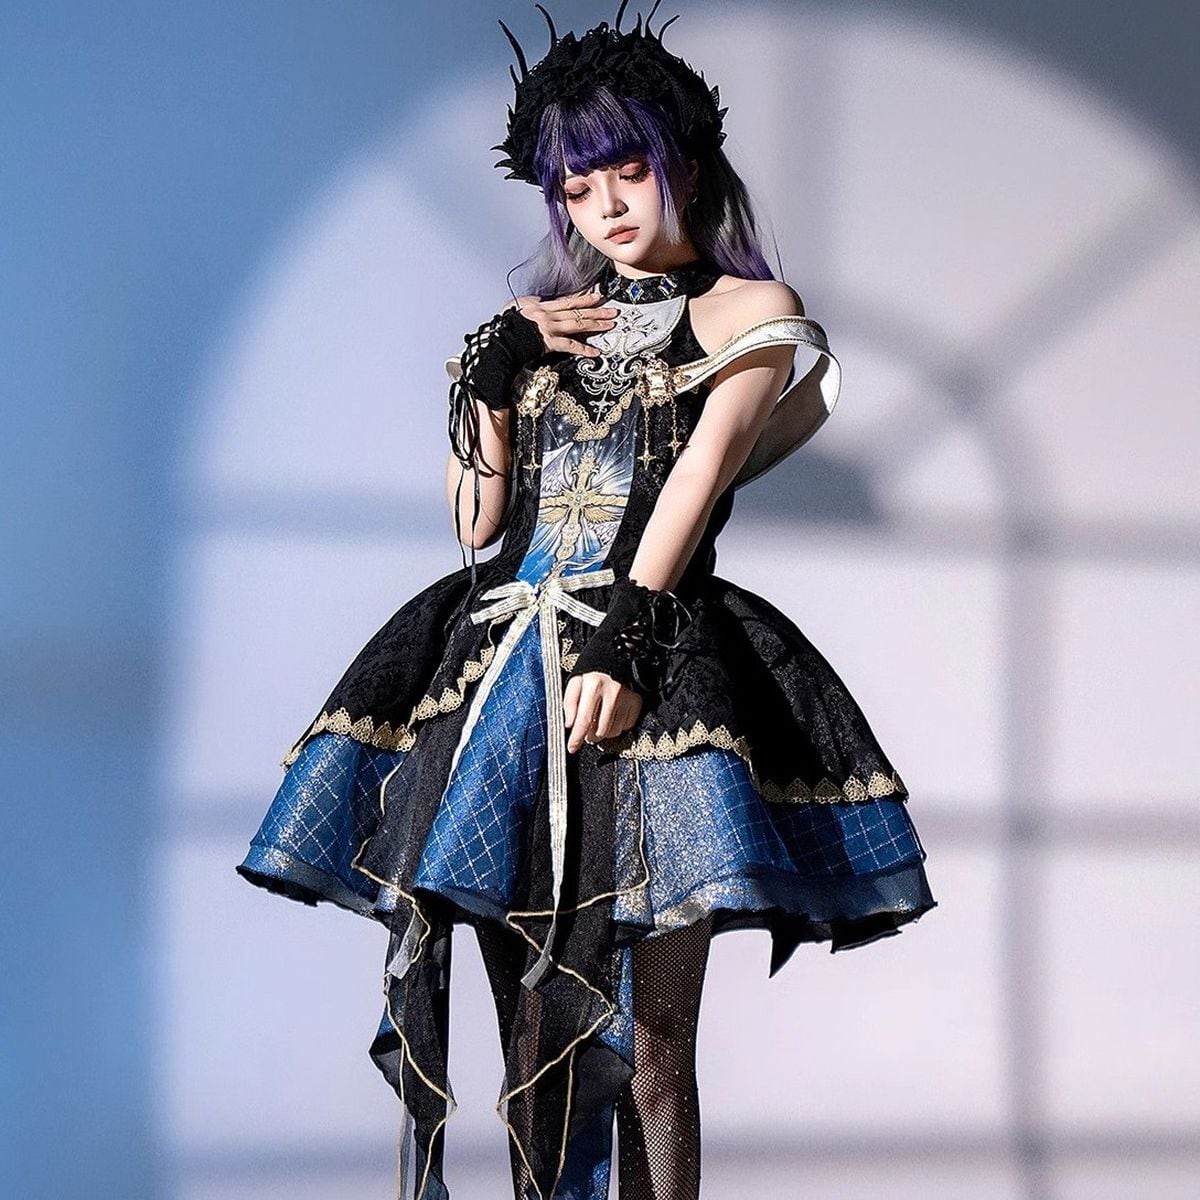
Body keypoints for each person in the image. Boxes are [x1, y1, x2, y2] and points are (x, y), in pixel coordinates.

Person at [236, 4, 937, 1198]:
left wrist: (628, 641)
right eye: (576, 186)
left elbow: (698, 482)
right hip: (500, 677)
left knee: (652, 1050)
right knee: (533, 1034)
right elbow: (477, 524)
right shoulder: (543, 328)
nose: (605, 205)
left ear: (686, 166)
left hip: (653, 667)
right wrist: (493, 374)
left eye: (627, 169)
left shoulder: (747, 312)